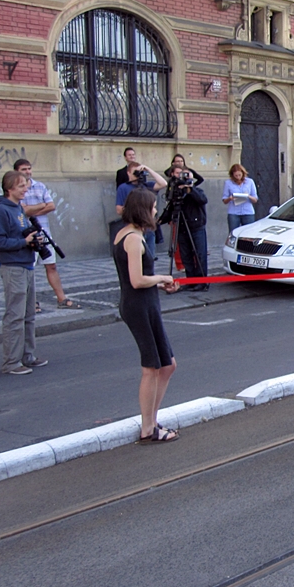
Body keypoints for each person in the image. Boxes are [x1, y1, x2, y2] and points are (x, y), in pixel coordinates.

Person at [112, 188, 180, 443]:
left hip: (146, 303)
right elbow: (136, 280)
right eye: (152, 207)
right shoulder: (132, 238)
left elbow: (141, 281)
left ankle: (151, 420)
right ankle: (148, 428)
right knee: (151, 367)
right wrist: (161, 277)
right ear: (142, 209)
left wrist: (160, 285)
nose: (155, 210)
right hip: (138, 306)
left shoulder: (133, 234)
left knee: (168, 365)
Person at [0, 170, 47, 375]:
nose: (26, 189)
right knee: (15, 315)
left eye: (26, 185)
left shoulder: (19, 209)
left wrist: (33, 241)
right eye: (21, 186)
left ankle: (27, 355)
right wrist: (24, 242)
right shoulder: (1, 211)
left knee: (29, 314)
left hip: (27, 263)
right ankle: (11, 362)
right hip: (13, 266)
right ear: (9, 188)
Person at [14, 159, 80, 310]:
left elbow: (51, 206)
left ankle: (61, 299)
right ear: (17, 171)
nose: (28, 172)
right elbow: (22, 211)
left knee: (51, 266)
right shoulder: (16, 189)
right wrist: (41, 206)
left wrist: (32, 211)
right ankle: (31, 302)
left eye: (29, 168)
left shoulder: (40, 186)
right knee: (28, 270)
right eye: (24, 169)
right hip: (27, 235)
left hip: (44, 233)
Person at [165, 164, 209, 291]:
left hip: (196, 226)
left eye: (184, 174)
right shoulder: (175, 191)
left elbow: (202, 200)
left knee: (200, 254)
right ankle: (190, 280)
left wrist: (190, 187)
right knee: (186, 255)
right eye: (178, 174)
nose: (181, 177)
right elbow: (169, 200)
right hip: (182, 226)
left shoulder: (196, 190)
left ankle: (202, 281)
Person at [117, 162, 166, 257]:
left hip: (148, 227)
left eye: (140, 172)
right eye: (135, 172)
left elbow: (163, 183)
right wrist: (136, 208)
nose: (138, 175)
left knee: (150, 257)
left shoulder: (146, 186)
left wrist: (148, 169)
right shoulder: (123, 187)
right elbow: (119, 209)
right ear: (128, 173)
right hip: (134, 227)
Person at [222, 163, 258, 233]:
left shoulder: (250, 182)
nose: (238, 177)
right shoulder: (228, 183)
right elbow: (224, 200)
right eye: (236, 175)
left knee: (249, 233)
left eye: (239, 175)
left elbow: (255, 199)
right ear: (232, 175)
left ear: (243, 173)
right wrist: (230, 198)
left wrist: (248, 196)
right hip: (234, 212)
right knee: (233, 232)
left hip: (247, 212)